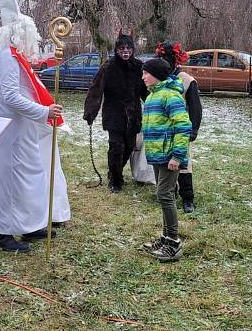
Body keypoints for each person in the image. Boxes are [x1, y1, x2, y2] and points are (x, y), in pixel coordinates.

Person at [0, 0, 71, 253]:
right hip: (11, 134)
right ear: (20, 33)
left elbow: (27, 80)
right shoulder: (6, 57)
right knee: (9, 183)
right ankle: (4, 233)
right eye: (31, 35)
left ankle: (30, 225)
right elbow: (10, 96)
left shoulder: (15, 56)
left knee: (29, 179)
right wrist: (44, 111)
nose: (35, 40)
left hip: (22, 133)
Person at [140, 58, 192, 262]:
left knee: (165, 195)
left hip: (170, 156)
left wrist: (177, 156)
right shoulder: (153, 96)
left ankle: (173, 242)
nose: (143, 77)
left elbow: (183, 126)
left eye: (147, 73)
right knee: (162, 196)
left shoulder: (171, 96)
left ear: (158, 75)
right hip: (157, 156)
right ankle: (165, 238)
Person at [83, 34, 148, 192]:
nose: (125, 51)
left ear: (132, 49)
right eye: (122, 48)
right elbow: (96, 89)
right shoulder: (108, 66)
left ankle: (114, 172)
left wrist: (157, 106)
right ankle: (116, 181)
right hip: (114, 114)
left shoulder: (139, 67)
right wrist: (90, 112)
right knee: (116, 147)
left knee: (129, 147)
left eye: (128, 48)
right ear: (117, 50)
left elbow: (146, 91)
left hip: (133, 115)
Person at [155, 42, 202, 213]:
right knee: (164, 162)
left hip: (180, 129)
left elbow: (195, 107)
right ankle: (168, 193)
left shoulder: (187, 81)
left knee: (183, 163)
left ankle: (187, 198)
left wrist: (193, 129)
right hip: (161, 129)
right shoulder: (158, 79)